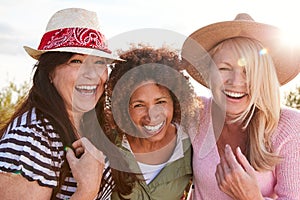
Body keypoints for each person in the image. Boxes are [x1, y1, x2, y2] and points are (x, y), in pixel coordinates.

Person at [0, 8, 132, 200]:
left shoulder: (91, 125)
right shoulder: (32, 138)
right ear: (49, 73)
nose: (92, 74)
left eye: (99, 62)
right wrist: (86, 190)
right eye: (76, 61)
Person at [181, 13, 300, 199]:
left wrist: (252, 197)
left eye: (248, 72)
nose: (236, 82)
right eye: (224, 68)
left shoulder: (288, 126)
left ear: (263, 78)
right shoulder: (196, 112)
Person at [104, 46, 201, 200]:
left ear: (175, 102)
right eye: (139, 105)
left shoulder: (190, 146)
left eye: (160, 102)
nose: (151, 116)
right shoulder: (109, 144)